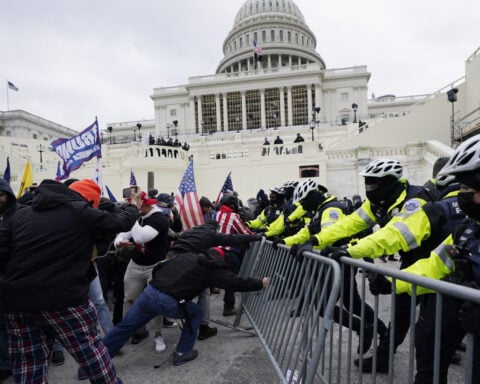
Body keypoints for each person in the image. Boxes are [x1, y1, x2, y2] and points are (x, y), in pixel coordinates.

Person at [293, 159, 433, 367]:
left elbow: (392, 236)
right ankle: (384, 358)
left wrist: (350, 250)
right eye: (367, 184)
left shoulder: (415, 201)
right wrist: (316, 240)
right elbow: (349, 224)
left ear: (389, 183)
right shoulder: (379, 203)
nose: (369, 190)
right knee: (402, 313)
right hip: (413, 259)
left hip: (435, 261)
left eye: (373, 185)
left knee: (432, 324)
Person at [0, 179, 139, 383]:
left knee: (29, 366)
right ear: (89, 201)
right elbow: (121, 222)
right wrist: (134, 204)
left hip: (18, 304)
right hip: (65, 300)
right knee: (91, 354)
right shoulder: (79, 210)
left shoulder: (21, 214)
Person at [373, 136, 480, 383]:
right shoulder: (467, 231)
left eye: (465, 189)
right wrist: (392, 281)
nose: (460, 196)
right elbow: (434, 265)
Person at [102, 245, 269, 366]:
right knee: (197, 312)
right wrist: (259, 283)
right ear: (226, 264)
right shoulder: (216, 270)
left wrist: (162, 284)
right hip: (167, 301)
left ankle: (98, 358)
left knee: (126, 326)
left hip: (149, 292)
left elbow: (160, 266)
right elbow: (235, 282)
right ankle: (182, 353)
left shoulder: (189, 255)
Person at [275, 179, 387, 352]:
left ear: (313, 196)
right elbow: (306, 233)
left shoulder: (331, 209)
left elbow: (330, 236)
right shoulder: (319, 211)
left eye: (304, 201)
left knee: (325, 305)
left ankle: (365, 328)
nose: (303, 206)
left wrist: (311, 245)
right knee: (352, 303)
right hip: (335, 263)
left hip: (339, 262)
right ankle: (380, 330)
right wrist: (285, 241)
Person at [167, 221, 261, 340]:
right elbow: (231, 239)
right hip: (185, 261)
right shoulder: (210, 234)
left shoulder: (190, 231)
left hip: (169, 260)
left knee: (169, 290)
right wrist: (254, 237)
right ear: (215, 229)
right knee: (204, 291)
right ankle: (203, 328)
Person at [114, 191, 170, 353]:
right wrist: (119, 242)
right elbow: (123, 233)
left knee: (155, 301)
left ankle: (158, 334)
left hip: (155, 265)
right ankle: (130, 332)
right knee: (128, 300)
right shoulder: (138, 216)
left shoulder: (159, 218)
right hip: (136, 264)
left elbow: (140, 238)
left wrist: (132, 216)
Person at [215, 194, 254, 316]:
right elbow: (244, 232)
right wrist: (255, 236)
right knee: (231, 279)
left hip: (215, 250)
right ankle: (229, 306)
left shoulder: (217, 214)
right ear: (233, 204)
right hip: (228, 252)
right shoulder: (233, 216)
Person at [0, 178, 18, 381]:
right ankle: (6, 362)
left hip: (14, 276)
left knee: (16, 323)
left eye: (1, 194)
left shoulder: (19, 215)